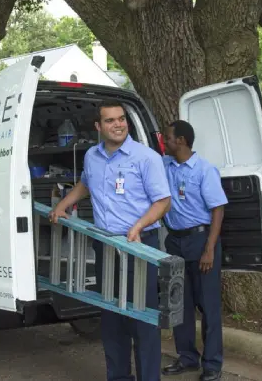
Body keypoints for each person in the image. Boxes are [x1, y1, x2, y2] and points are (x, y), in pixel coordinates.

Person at [49, 100, 171, 381]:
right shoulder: (92, 156)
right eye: (110, 120)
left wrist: (139, 225)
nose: (118, 124)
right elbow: (85, 183)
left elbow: (163, 201)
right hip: (105, 245)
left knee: (142, 319)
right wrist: (62, 206)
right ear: (98, 126)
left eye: (121, 119)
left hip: (139, 246)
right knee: (112, 319)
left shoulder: (145, 157)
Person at [160, 120, 227, 381]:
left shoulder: (204, 170)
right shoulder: (164, 166)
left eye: (167, 138)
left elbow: (218, 209)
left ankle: (212, 364)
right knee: (180, 304)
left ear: (182, 141)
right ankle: (187, 358)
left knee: (208, 306)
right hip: (175, 242)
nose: (163, 142)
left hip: (201, 241)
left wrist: (209, 249)